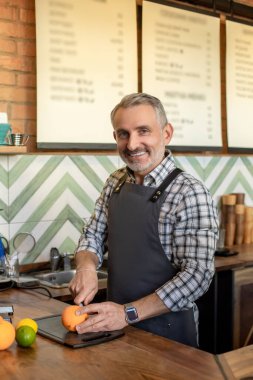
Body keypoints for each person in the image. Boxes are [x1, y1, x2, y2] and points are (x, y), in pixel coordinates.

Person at [69, 93, 219, 347]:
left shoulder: (189, 192)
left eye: (143, 131)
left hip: (169, 336)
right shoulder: (115, 182)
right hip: (115, 328)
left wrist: (128, 313)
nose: (132, 144)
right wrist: (85, 267)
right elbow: (92, 235)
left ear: (166, 133)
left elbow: (197, 276)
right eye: (123, 134)